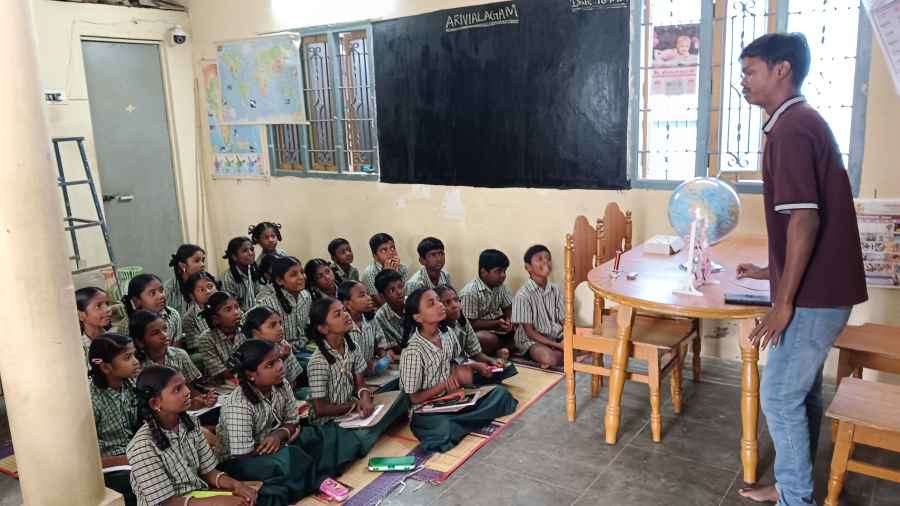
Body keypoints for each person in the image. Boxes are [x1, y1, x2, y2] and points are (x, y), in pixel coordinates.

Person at [735, 32, 868, 506]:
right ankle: (792, 487)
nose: (743, 82)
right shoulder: (796, 122)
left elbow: (805, 220)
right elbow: (804, 222)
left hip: (815, 297)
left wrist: (783, 303)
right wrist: (769, 272)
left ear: (782, 70)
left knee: (778, 395)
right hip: (824, 289)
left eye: (750, 71)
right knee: (801, 391)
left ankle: (796, 499)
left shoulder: (792, 128)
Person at [399, 288, 518, 452]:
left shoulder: (446, 333)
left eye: (438, 300)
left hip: (454, 397)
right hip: (428, 408)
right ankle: (463, 421)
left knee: (500, 394)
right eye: (432, 303)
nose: (440, 305)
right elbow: (413, 398)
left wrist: (474, 367)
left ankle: (462, 422)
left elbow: (457, 361)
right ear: (418, 317)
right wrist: (443, 386)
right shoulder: (413, 351)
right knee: (443, 429)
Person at [127, 365, 257, 506]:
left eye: (184, 385)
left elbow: (209, 472)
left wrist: (236, 485)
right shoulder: (142, 447)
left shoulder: (191, 423)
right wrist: (215, 502)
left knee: (251, 498)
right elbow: (167, 503)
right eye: (177, 389)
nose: (188, 391)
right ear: (155, 403)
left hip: (197, 496)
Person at [305, 297, 409, 452]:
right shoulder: (318, 361)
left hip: (352, 412)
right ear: (323, 328)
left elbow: (361, 385)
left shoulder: (351, 346)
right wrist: (355, 405)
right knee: (360, 437)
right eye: (338, 314)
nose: (346, 315)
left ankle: (368, 431)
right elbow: (320, 409)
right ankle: (363, 436)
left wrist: (365, 399)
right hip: (329, 421)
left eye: (344, 310)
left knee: (402, 396)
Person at [87, 335, 141, 506]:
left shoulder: (131, 384)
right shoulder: (90, 400)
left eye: (134, 355)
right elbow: (89, 459)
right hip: (109, 466)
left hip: (132, 454)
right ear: (105, 367)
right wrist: (131, 459)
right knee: (141, 481)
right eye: (127, 357)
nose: (136, 362)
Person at [129, 309, 217, 411]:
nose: (164, 335)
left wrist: (203, 399)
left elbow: (190, 387)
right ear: (140, 342)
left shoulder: (179, 355)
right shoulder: (136, 367)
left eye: (165, 329)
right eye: (155, 333)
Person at [436, 285, 516, 383]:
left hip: (464, 363)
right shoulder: (436, 330)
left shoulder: (462, 321)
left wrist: (491, 361)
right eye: (447, 303)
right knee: (469, 375)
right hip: (447, 371)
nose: (454, 305)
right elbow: (444, 366)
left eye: (456, 300)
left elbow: (475, 352)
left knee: (508, 368)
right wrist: (474, 366)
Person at [511, 245, 565, 368]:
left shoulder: (556, 289)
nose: (546, 261)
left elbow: (565, 321)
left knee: (589, 344)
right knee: (549, 358)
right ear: (528, 267)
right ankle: (557, 356)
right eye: (540, 259)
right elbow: (530, 333)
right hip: (532, 341)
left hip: (556, 337)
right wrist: (558, 346)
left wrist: (566, 339)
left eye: (548, 258)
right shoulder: (522, 295)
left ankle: (560, 354)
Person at [458, 249, 514, 356]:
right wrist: (497, 323)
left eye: (504, 271)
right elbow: (470, 324)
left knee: (522, 324)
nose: (503, 275)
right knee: (485, 339)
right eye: (498, 271)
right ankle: (503, 348)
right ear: (484, 272)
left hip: (497, 327)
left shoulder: (500, 286)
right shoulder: (470, 292)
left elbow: (508, 307)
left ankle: (502, 349)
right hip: (477, 331)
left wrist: (509, 319)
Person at [254, 256, 312, 352]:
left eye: (302, 272)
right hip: (279, 351)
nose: (301, 277)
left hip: (303, 347)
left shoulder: (306, 296)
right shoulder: (267, 303)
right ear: (279, 281)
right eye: (293, 275)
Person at [242, 306, 304, 394]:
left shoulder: (282, 345)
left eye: (280, 323)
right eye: (272, 325)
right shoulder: (248, 353)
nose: (280, 329)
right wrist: (281, 358)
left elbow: (293, 381)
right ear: (255, 333)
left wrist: (284, 357)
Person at [119, 274, 183, 348]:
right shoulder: (127, 326)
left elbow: (176, 349)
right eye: (153, 293)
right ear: (137, 300)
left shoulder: (173, 314)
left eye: (161, 290)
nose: (161, 296)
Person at [198, 291, 246, 383]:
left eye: (237, 307)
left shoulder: (245, 329)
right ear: (215, 319)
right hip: (222, 384)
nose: (236, 312)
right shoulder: (206, 339)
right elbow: (220, 373)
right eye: (228, 310)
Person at [360, 233, 409, 306]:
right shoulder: (369, 273)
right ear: (375, 256)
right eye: (384, 250)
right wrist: (388, 275)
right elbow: (383, 303)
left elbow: (406, 295)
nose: (390, 253)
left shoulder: (402, 267)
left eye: (392, 248)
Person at [181, 271, 219, 357]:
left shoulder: (228, 303)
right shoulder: (189, 318)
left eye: (210, 286)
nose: (208, 291)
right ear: (192, 296)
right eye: (201, 290)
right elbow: (196, 348)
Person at [221, 237, 264, 311]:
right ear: (234, 257)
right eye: (245, 251)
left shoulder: (256, 270)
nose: (250, 253)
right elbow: (231, 308)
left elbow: (262, 295)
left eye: (252, 249)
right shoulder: (228, 279)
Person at [164, 244, 206, 318]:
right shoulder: (168, 291)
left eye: (203, 260)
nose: (202, 264)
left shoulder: (208, 285)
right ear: (183, 265)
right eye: (197, 261)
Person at [372, 269, 406, 359]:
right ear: (382, 296)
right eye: (392, 290)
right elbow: (391, 348)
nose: (399, 292)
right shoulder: (380, 317)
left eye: (400, 286)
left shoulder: (414, 304)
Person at [76, 286, 113, 359]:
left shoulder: (115, 338)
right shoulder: (79, 349)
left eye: (107, 304)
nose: (108, 309)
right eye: (98, 306)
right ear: (81, 315)